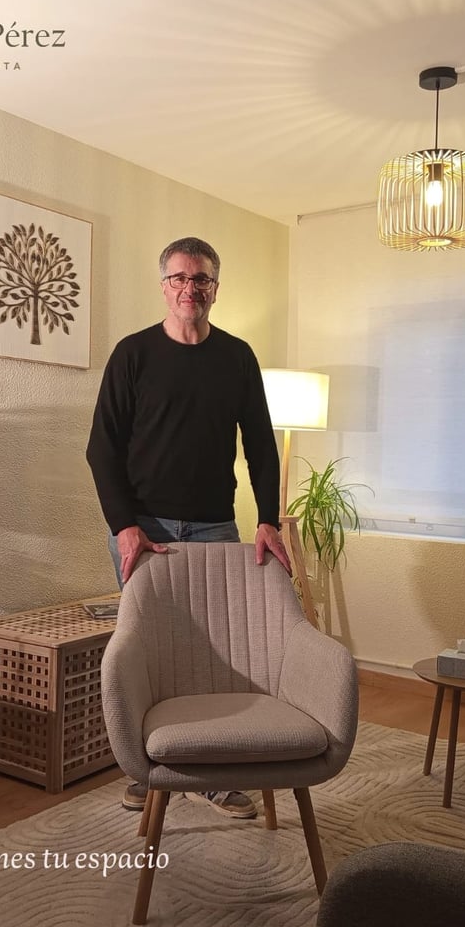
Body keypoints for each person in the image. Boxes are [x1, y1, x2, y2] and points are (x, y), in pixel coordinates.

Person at [86, 236, 291, 820]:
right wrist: (123, 526)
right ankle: (148, 772)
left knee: (213, 652)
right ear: (164, 286)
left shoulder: (237, 357)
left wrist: (268, 520)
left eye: (200, 280)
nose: (189, 289)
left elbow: (261, 449)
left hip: (213, 526)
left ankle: (212, 771)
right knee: (146, 648)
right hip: (144, 529)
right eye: (179, 278)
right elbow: (101, 450)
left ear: (215, 289)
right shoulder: (133, 355)